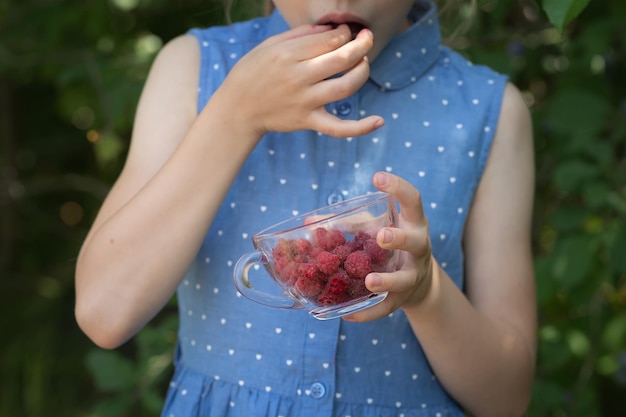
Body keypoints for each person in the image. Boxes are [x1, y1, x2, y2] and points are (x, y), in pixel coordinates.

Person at [74, 0, 537, 416]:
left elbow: (507, 398)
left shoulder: (487, 111)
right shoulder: (196, 69)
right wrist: (236, 117)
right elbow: (105, 313)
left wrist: (426, 291)